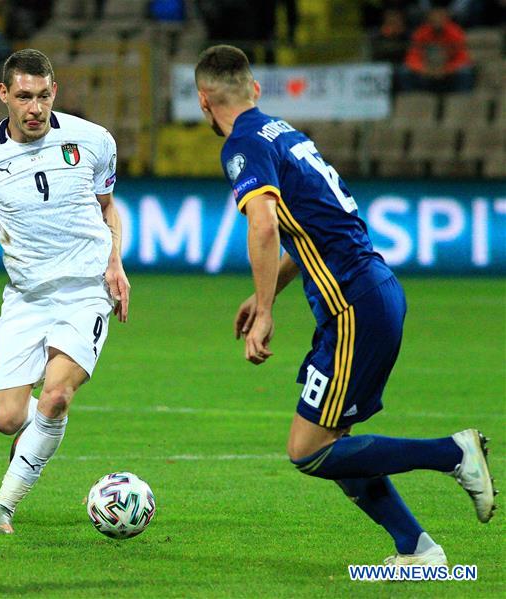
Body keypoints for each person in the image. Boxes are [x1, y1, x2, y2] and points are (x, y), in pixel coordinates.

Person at [194, 45, 496, 565]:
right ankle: (416, 549)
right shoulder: (282, 132)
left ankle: (452, 453)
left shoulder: (242, 144)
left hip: (354, 304)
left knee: (308, 450)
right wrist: (267, 293)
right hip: (369, 293)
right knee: (333, 440)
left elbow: (262, 224)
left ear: (204, 102)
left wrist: (265, 310)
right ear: (256, 90)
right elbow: (314, 230)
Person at [0, 49, 130, 534]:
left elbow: (108, 207)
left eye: (42, 96)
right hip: (25, 296)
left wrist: (116, 263)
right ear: (4, 95)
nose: (34, 108)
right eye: (23, 97)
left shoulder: (94, 140)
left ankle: (4, 506)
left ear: (54, 91)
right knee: (8, 418)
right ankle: (38, 432)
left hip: (85, 290)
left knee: (56, 396)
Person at [401, 3, 474, 93]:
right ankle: (412, 100)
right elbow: (412, 57)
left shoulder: (456, 33)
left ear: (447, 18)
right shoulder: (420, 33)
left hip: (448, 74)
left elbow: (463, 58)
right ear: (428, 18)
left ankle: (461, 103)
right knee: (404, 71)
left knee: (465, 72)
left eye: (440, 16)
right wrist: (423, 69)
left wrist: (446, 70)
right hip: (425, 72)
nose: (437, 19)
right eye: (434, 16)